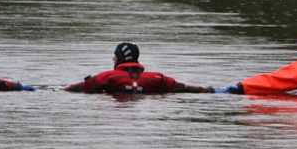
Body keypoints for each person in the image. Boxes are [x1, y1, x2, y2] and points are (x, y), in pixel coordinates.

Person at [63, 43, 212, 94]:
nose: (113, 59)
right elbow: (182, 88)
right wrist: (207, 90)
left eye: (115, 55)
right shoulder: (157, 77)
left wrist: (58, 90)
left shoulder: (108, 77)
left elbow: (81, 88)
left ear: (120, 57)